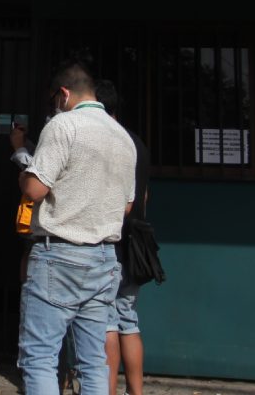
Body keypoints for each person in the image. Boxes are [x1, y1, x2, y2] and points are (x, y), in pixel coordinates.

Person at [18, 61, 137, 395]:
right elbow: (127, 205)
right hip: (104, 258)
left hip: (59, 254)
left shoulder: (63, 125)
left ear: (64, 94)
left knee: (40, 357)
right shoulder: (122, 136)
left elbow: (35, 189)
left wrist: (24, 173)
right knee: (94, 361)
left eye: (54, 99)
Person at [95, 81, 148, 395]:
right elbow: (143, 196)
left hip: (111, 242)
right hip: (136, 245)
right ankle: (136, 391)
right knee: (129, 320)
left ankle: (107, 390)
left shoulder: (108, 140)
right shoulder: (137, 143)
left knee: (106, 322)